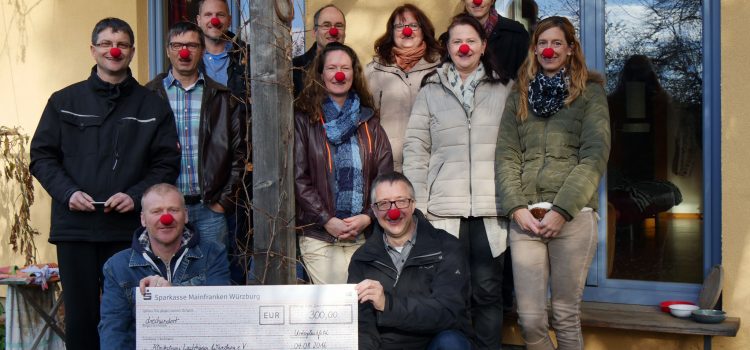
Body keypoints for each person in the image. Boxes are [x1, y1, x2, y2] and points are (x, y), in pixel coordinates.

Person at [29, 17, 180, 350]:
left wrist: (136, 195)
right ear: (93, 49)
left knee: (130, 314)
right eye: (107, 43)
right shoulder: (63, 101)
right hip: (76, 229)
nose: (115, 50)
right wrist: (67, 193)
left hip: (126, 230)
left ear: (132, 51)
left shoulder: (152, 105)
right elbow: (41, 156)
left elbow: (167, 162)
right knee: (81, 318)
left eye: (123, 44)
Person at [495, 16, 610, 350]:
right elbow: (506, 155)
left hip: (573, 218)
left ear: (571, 49)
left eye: (557, 43)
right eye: (542, 43)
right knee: (530, 320)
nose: (549, 50)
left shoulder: (591, 93)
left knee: (565, 315)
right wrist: (516, 208)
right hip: (526, 218)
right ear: (534, 49)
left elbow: (593, 156)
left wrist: (562, 210)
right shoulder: (519, 93)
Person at [402, 14, 513, 350]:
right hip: (443, 211)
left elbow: (515, 148)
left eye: (471, 40)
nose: (464, 46)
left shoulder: (505, 88)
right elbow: (416, 148)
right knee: (452, 292)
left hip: (491, 206)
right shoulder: (430, 89)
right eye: (456, 41)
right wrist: (417, 204)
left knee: (488, 291)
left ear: (483, 46)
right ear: (447, 47)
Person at [294, 43, 393, 285]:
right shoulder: (304, 119)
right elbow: (299, 177)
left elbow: (385, 177)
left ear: (353, 73)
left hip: (363, 235)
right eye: (332, 68)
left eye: (345, 68)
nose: (339, 74)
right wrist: (326, 219)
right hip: (320, 235)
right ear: (321, 74)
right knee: (337, 305)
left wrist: (368, 217)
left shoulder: (369, 122)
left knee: (364, 304)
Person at [145, 21, 246, 248]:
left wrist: (223, 201)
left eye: (191, 45)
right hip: (163, 209)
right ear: (168, 50)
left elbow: (240, 153)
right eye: (177, 45)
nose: (184, 52)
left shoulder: (222, 96)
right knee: (167, 275)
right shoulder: (148, 95)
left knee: (214, 276)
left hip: (209, 208)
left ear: (201, 50)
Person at [349, 172, 473, 350]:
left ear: (413, 204)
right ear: (374, 211)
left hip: (433, 343)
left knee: (451, 343)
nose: (394, 211)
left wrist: (387, 304)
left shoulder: (447, 247)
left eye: (401, 201)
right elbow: (363, 326)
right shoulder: (362, 259)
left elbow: (449, 313)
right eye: (384, 203)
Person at [98, 183, 230, 349]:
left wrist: (173, 295)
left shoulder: (213, 255)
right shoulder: (117, 266)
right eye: (156, 211)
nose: (165, 218)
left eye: (173, 210)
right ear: (143, 219)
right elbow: (114, 331)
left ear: (186, 215)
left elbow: (220, 315)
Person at [365, 4, 443, 172]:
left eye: (413, 25)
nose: (407, 31)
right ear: (391, 32)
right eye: (399, 26)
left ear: (424, 30)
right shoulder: (373, 71)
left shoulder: (441, 70)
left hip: (429, 165)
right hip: (386, 166)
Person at [460, 0, 529, 79]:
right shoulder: (452, 37)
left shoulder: (517, 33)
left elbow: (526, 77)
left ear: (492, 1)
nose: (477, 1)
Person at [196, 0, 250, 100]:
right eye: (208, 15)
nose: (214, 20)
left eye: (220, 15)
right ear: (199, 20)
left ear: (229, 20)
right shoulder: (190, 57)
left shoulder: (247, 55)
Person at [293, 4, 346, 96]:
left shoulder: (354, 68)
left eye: (339, 26)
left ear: (345, 32)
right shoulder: (296, 67)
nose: (333, 31)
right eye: (326, 25)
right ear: (314, 32)